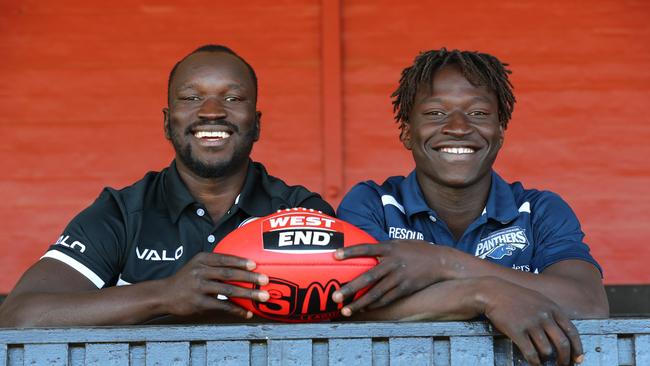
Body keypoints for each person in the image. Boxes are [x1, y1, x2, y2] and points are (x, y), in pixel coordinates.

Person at [0, 45, 334, 326]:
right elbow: (19, 315)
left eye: (232, 99)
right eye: (191, 97)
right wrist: (165, 295)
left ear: (256, 124)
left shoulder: (301, 213)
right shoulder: (122, 214)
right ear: (166, 123)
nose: (212, 112)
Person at [333, 48, 608, 366]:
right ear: (407, 132)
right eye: (436, 113)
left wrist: (445, 263)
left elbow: (588, 304)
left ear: (500, 132)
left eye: (478, 113)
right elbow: (357, 303)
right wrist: (484, 293)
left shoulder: (539, 210)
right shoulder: (373, 204)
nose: (459, 127)